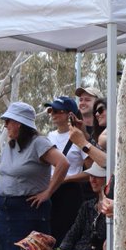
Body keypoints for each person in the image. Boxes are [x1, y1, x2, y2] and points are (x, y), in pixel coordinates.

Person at [0, 102, 68, 250]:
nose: (6, 125)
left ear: (19, 123)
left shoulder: (38, 143)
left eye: (9, 121)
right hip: (6, 210)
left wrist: (48, 192)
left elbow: (63, 163)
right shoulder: (10, 144)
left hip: (27, 209)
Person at [43, 96, 89, 242]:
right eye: (51, 110)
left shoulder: (78, 137)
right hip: (51, 191)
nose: (53, 114)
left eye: (58, 111)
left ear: (70, 114)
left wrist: (67, 178)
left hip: (70, 192)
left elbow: (91, 171)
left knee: (66, 235)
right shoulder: (49, 136)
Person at [58, 161, 105, 250]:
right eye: (91, 176)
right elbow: (73, 233)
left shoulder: (113, 209)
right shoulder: (87, 206)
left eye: (97, 176)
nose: (92, 180)